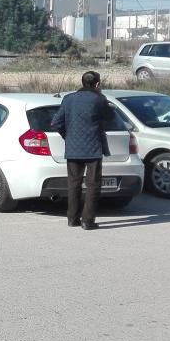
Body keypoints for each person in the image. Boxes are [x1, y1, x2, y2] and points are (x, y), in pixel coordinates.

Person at [50, 71, 114, 230]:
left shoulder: (68, 99)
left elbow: (55, 122)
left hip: (73, 148)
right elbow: (111, 116)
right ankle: (87, 221)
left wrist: (68, 136)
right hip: (93, 149)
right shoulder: (99, 99)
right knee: (93, 185)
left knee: (73, 184)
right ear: (97, 84)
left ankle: (72, 218)